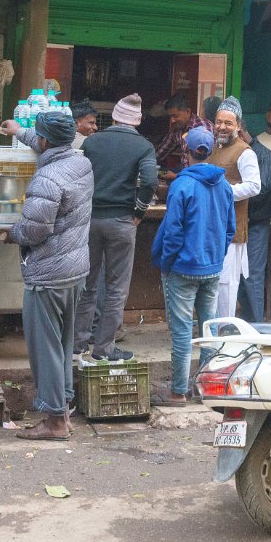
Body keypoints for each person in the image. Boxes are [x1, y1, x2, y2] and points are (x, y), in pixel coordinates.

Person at [3, 110, 93, 440]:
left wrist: (12, 234)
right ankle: (62, 412)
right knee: (62, 346)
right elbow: (46, 143)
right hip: (74, 270)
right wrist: (19, 131)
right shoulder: (81, 163)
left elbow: (35, 229)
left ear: (44, 141)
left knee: (46, 349)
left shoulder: (47, 178)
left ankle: (55, 422)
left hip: (48, 275)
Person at [151, 126, 234, 405]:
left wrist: (167, 263)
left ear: (186, 152)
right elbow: (229, 229)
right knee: (209, 330)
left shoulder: (182, 185)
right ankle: (205, 388)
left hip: (183, 268)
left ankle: (178, 391)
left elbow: (173, 232)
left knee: (182, 331)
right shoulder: (223, 185)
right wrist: (216, 256)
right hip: (211, 267)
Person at [74, 94, 158, 364]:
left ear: (113, 118)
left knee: (87, 284)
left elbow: (79, 177)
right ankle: (104, 349)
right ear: (138, 120)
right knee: (116, 289)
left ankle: (77, 346)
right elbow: (150, 181)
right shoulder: (144, 146)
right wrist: (139, 211)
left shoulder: (92, 142)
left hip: (90, 220)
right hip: (122, 222)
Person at [204, 97, 262, 320]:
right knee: (211, 282)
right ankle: (213, 329)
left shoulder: (245, 152)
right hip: (211, 227)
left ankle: (225, 331)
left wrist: (223, 191)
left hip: (231, 229)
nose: (222, 127)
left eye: (228, 123)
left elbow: (254, 186)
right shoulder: (213, 147)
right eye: (219, 122)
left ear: (238, 126)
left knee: (226, 284)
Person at [242, 128, 271, 321]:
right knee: (240, 275)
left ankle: (256, 325)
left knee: (252, 275)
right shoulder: (246, 151)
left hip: (256, 222)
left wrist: (235, 195)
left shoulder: (261, 154)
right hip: (244, 221)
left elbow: (261, 189)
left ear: (240, 132)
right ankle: (245, 321)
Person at [155, 94, 210, 178]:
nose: (172, 120)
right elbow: (161, 152)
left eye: (175, 116)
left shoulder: (201, 129)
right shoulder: (178, 128)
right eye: (170, 117)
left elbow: (202, 169)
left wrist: (176, 176)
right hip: (184, 173)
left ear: (188, 111)